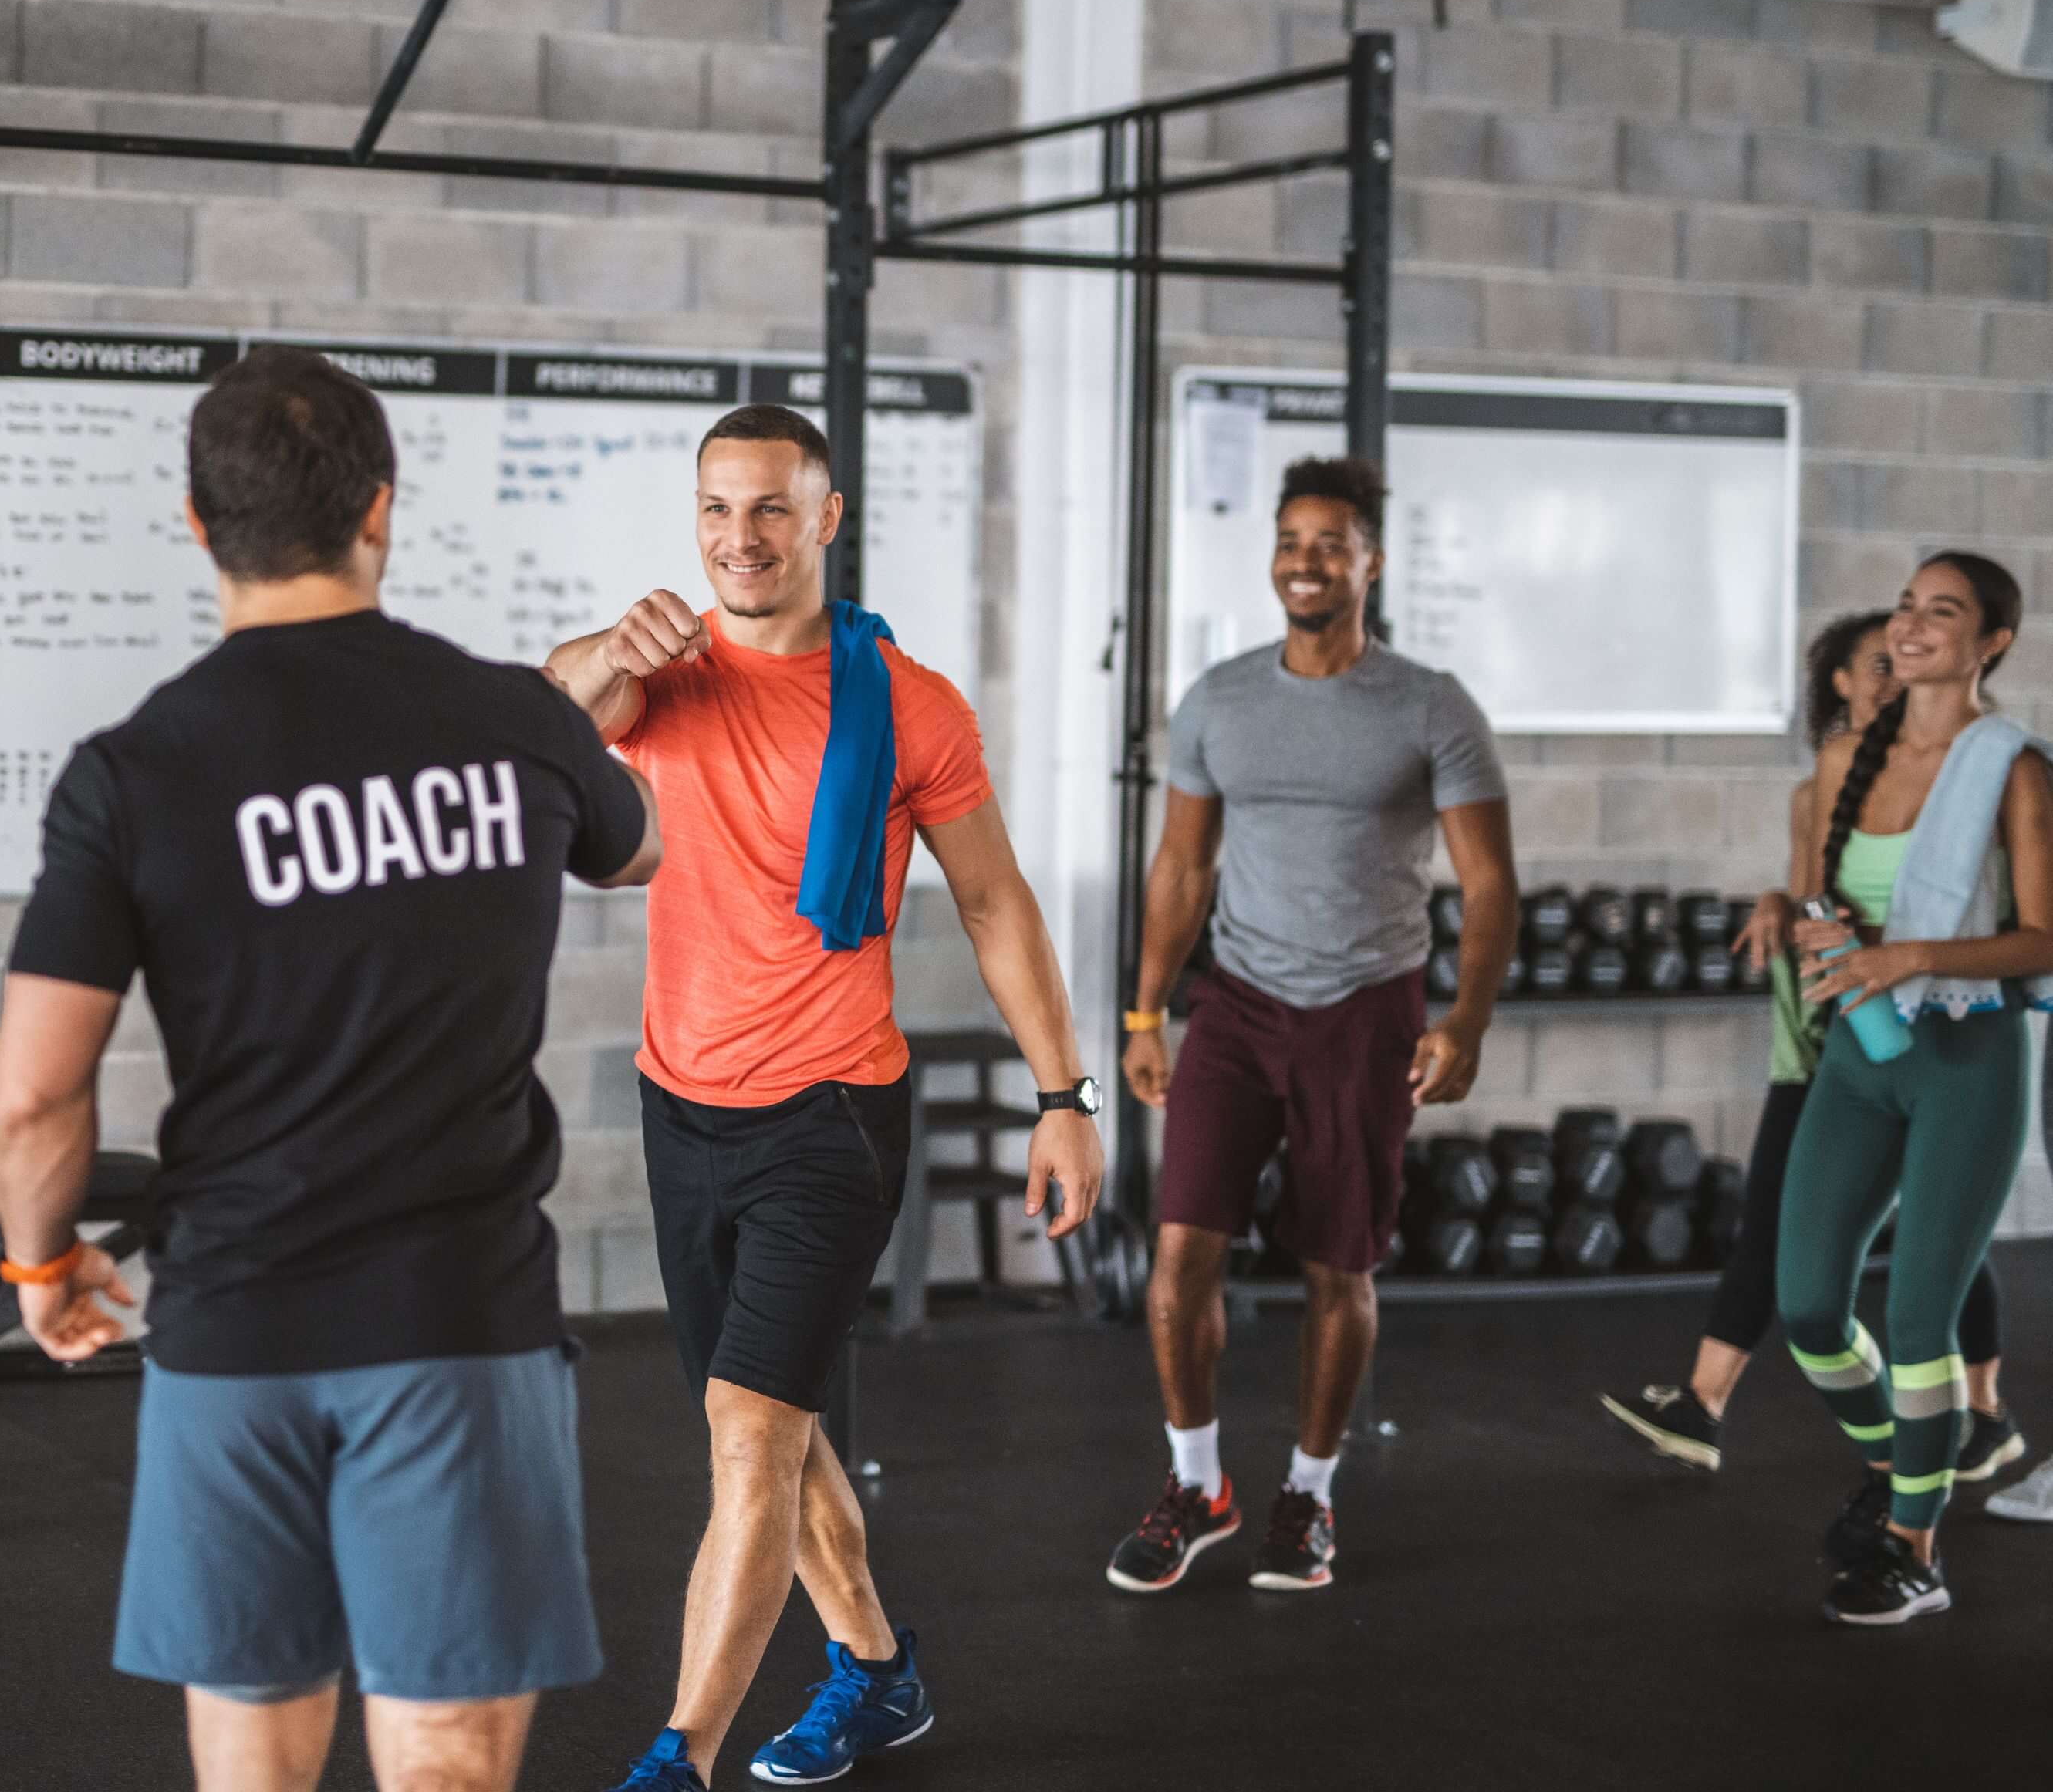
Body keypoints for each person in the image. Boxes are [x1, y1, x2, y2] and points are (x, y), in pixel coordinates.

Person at [0, 347, 663, 1792]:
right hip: (458, 1324)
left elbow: (33, 1094)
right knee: (445, 1771)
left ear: (194, 524)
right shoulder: (513, 722)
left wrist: (42, 1270)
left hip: (233, 1328)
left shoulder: (134, 768)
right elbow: (639, 842)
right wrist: (569, 700)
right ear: (379, 509)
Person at [545, 403, 1105, 1792]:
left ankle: (678, 1755)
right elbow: (541, 717)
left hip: (828, 1119)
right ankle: (872, 1671)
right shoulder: (655, 683)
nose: (740, 538)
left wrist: (1063, 1092)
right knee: (775, 1443)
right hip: (680, 1106)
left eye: (771, 510)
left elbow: (992, 901)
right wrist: (608, 649)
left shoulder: (909, 703)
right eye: (717, 510)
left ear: (826, 518)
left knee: (748, 1435)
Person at [1115, 454, 1517, 1595]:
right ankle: (1199, 1484)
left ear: (1370, 563)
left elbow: (1489, 885)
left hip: (1365, 1008)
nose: (1306, 562)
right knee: (1178, 1256)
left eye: (1329, 544)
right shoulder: (1221, 700)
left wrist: (1467, 1019)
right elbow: (1182, 865)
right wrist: (1147, 1010)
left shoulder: (1430, 704)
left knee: (1338, 1266)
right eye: (1291, 542)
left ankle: (1308, 1492)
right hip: (1235, 1005)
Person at [1602, 611, 2022, 1480]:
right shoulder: (1825, 786)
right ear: (1838, 681)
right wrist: (1775, 904)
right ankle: (1913, 1438)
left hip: (1942, 1042)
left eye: (1902, 660)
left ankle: (1966, 1423)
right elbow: (1815, 900)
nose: (1890, 674)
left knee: (1936, 1253)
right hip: (1829, 1039)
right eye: (1874, 662)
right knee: (1797, 1251)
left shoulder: (1979, 777)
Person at [1774, 549, 2053, 1625]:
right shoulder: (1844, 759)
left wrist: (1912, 957)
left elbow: (2043, 936)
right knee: (1808, 1306)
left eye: (1944, 611)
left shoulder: (2013, 769)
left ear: (1991, 644)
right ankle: (1909, 1461)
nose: (1913, 625)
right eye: (1904, 606)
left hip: (1968, 1064)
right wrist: (1822, 936)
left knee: (1924, 1312)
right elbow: (1817, 896)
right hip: (1860, 1053)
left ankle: (1913, 1551)